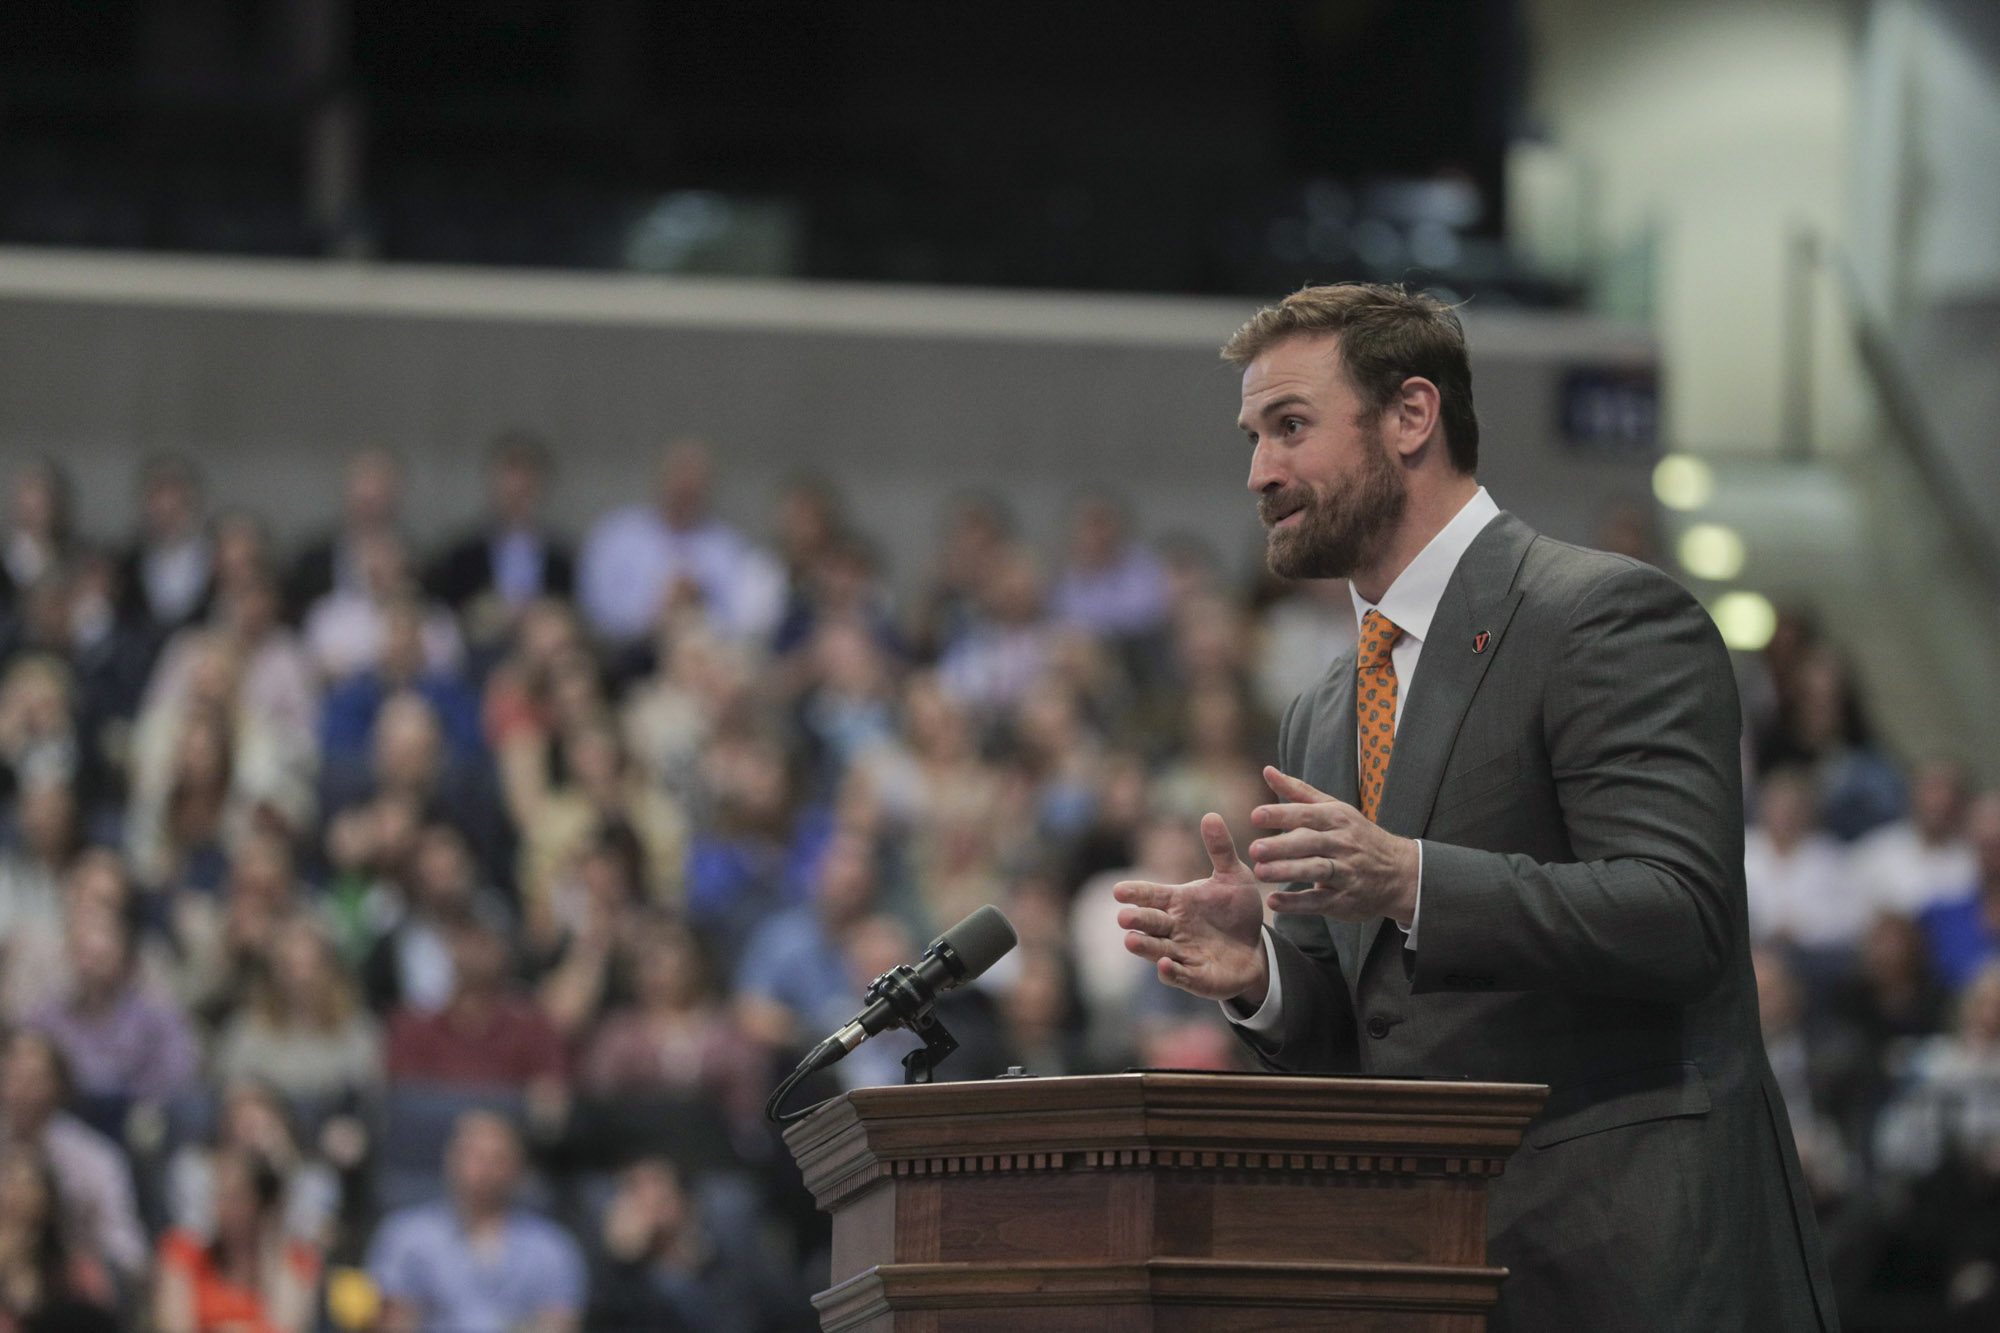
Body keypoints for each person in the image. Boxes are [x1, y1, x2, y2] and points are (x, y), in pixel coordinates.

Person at [1113, 283, 1834, 1329]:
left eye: (1290, 427)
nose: (1258, 472)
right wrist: (1262, 975)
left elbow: (1677, 914)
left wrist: (1410, 878)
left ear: (1412, 417)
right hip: (1433, 1268)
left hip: (1635, 1263)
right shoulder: (1323, 708)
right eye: (1254, 436)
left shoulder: (1603, 617)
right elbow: (1372, 1024)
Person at [366, 1110, 585, 1333]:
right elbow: (393, 1323)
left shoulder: (551, 1247)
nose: (483, 1169)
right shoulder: (406, 1236)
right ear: (450, 1159)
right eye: (473, 1155)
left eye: (497, 1158)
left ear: (519, 1168)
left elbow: (558, 1324)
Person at [575, 439, 783, 646]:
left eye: (694, 481)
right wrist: (655, 611)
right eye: (679, 477)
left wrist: (700, 603)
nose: (685, 488)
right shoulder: (616, 535)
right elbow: (594, 612)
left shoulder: (729, 548)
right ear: (660, 479)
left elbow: (746, 623)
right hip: (627, 657)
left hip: (707, 658)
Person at [153, 1146, 321, 1333]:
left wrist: (272, 1239)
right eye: (217, 1195)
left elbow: (288, 1326)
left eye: (233, 1197)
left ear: (262, 1204)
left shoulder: (297, 1259)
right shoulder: (183, 1253)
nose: (217, 1207)